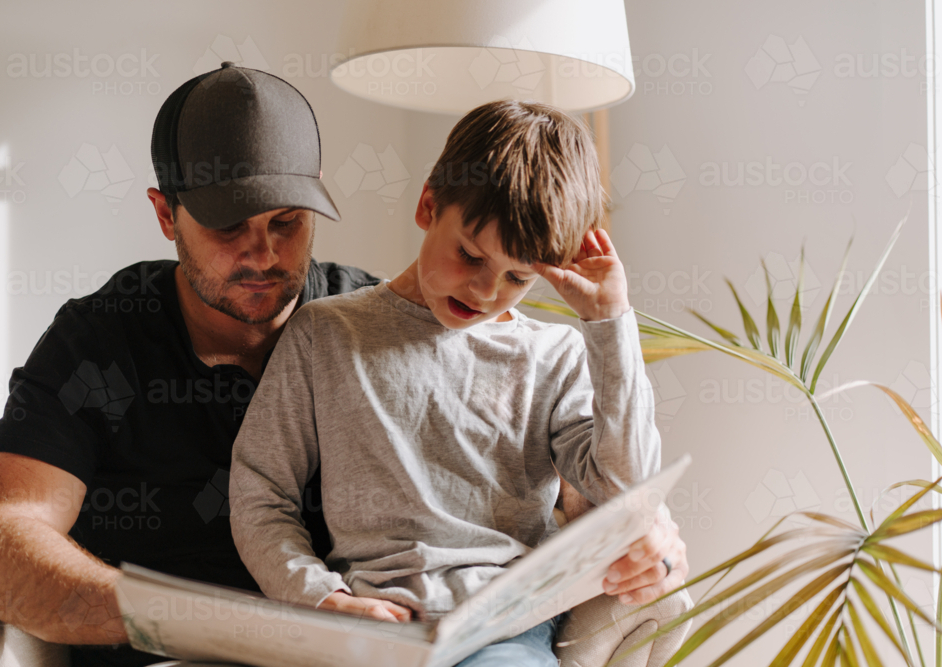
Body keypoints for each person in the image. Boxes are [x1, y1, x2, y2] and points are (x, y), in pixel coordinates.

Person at [0, 62, 380, 667]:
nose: (264, 252)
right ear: (164, 214)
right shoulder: (100, 341)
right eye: (229, 226)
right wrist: (213, 625)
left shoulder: (375, 326)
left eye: (287, 221)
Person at [229, 99, 682, 666]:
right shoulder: (327, 334)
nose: (486, 292)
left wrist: (609, 323)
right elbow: (260, 494)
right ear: (427, 206)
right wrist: (322, 599)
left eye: (518, 276)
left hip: (503, 632)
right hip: (375, 629)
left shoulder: (554, 354)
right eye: (470, 256)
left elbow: (626, 490)